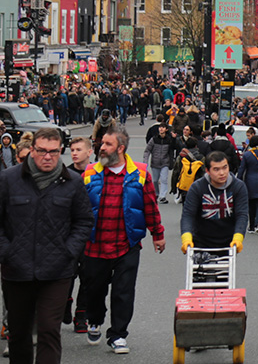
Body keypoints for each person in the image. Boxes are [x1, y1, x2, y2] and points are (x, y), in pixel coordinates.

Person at [0, 127, 94, 364]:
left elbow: (83, 221)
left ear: (60, 151)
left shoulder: (72, 183)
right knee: (19, 333)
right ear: (32, 150)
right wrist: (6, 252)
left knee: (49, 331)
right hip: (16, 271)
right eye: (42, 151)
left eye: (54, 151)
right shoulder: (9, 179)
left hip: (56, 271)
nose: (48, 156)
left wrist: (69, 252)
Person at [80, 126, 166, 354]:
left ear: (120, 148)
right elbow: (76, 209)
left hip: (126, 245)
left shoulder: (139, 173)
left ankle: (118, 334)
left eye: (107, 144)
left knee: (123, 291)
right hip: (95, 245)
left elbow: (149, 206)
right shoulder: (89, 173)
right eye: (101, 143)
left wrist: (158, 234)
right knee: (95, 290)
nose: (101, 147)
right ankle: (95, 319)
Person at [180, 151, 248, 255]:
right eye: (216, 169)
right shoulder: (197, 187)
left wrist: (238, 238)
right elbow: (188, 215)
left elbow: (242, 214)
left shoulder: (238, 187)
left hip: (228, 243)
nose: (222, 173)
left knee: (224, 271)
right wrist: (186, 238)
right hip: (201, 242)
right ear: (207, 170)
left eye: (225, 167)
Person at [66, 137, 95, 333]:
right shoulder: (65, 174)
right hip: (67, 232)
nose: (74, 153)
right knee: (66, 275)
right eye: (72, 149)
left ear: (89, 152)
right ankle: (64, 303)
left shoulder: (96, 174)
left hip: (90, 233)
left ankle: (82, 315)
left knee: (88, 277)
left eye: (79, 149)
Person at [141, 122, 177, 204]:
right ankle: (156, 194)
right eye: (160, 127)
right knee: (155, 180)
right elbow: (147, 151)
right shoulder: (154, 139)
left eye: (163, 127)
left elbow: (174, 148)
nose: (161, 129)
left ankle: (162, 196)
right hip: (155, 162)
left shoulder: (169, 140)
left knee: (164, 179)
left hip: (165, 162)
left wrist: (174, 138)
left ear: (166, 129)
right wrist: (145, 162)